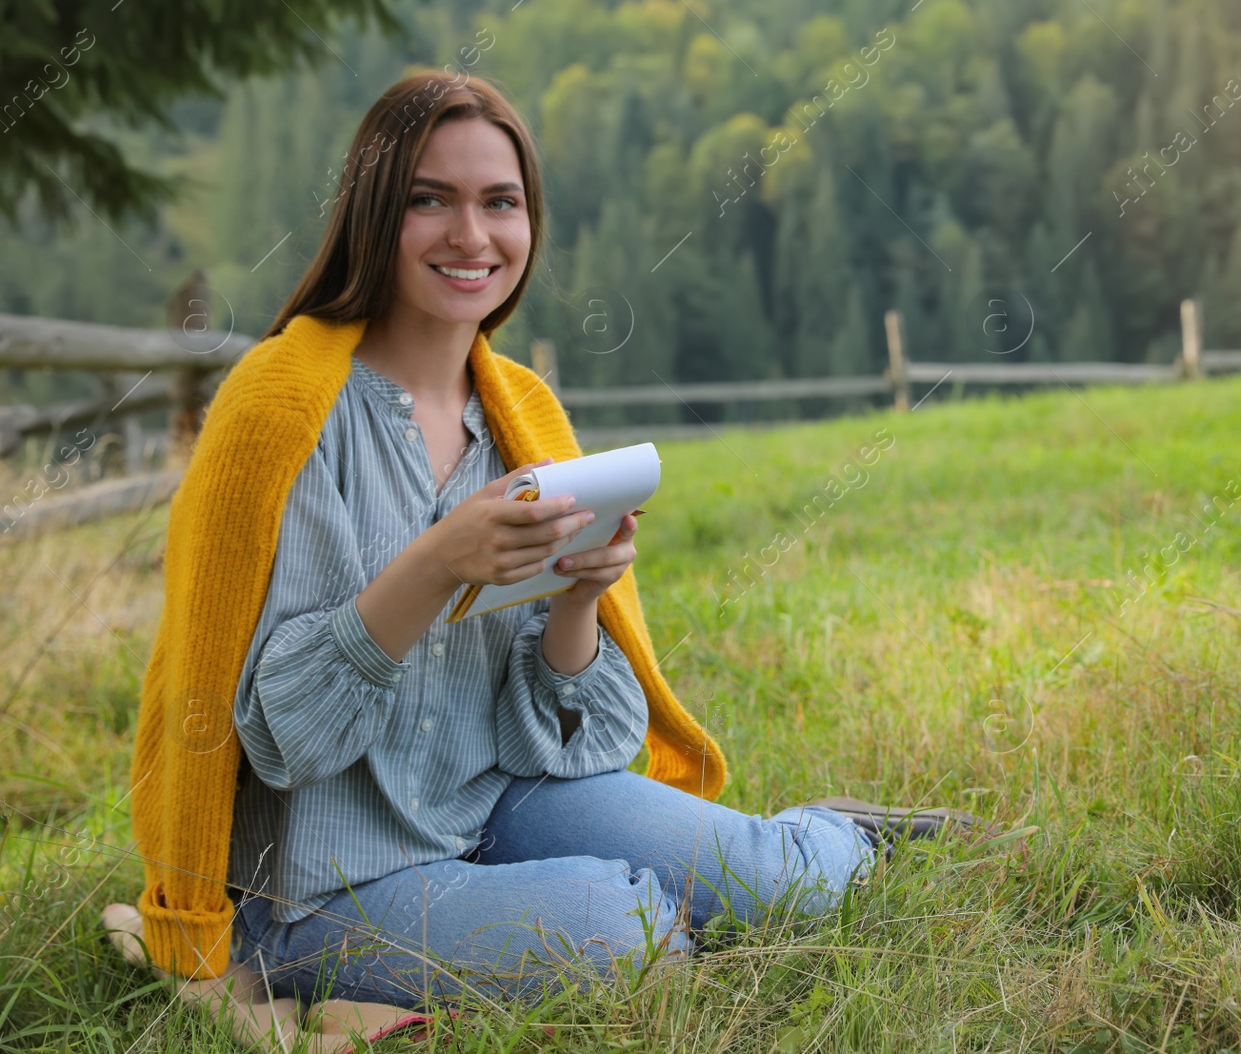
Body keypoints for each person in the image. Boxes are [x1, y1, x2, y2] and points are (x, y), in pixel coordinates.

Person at [120, 69, 981, 1016]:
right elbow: (278, 732)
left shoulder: (522, 411)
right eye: (428, 200)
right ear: (373, 211)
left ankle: (832, 842)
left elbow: (572, 739)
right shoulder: (280, 407)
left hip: (497, 801)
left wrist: (579, 598)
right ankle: (624, 910)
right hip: (322, 880)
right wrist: (440, 559)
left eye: (501, 203)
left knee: (785, 885)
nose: (472, 236)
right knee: (621, 935)